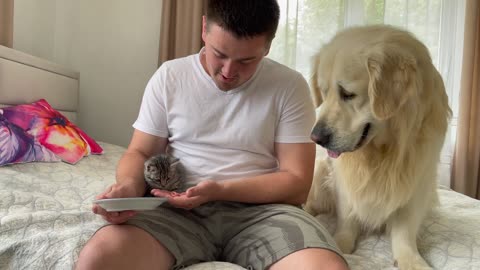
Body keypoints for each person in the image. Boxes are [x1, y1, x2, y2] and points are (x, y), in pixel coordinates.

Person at [76, 1, 348, 269]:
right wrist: (129, 187)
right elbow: (140, 152)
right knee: (98, 259)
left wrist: (220, 190)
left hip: (264, 211)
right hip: (175, 208)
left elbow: (297, 183)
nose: (229, 72)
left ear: (268, 46)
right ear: (204, 28)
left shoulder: (289, 86)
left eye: (247, 60)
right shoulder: (170, 76)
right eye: (219, 53)